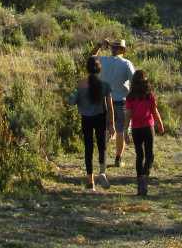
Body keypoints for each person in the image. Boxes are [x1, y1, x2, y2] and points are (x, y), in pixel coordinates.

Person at [69, 54, 115, 190]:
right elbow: (110, 107)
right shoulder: (105, 85)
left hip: (86, 119)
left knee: (88, 149)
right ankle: (102, 172)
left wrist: (74, 93)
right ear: (99, 69)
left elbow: (71, 101)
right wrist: (111, 124)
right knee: (102, 146)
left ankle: (91, 182)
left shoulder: (81, 84)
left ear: (87, 68)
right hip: (100, 117)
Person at [124, 69, 165, 196]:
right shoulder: (149, 95)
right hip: (148, 127)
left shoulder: (130, 97)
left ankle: (140, 181)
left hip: (136, 129)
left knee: (139, 155)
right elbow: (154, 111)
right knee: (149, 155)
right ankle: (145, 178)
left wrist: (125, 131)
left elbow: (128, 115)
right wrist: (160, 123)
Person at [97, 38, 135, 167]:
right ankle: (118, 159)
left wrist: (99, 45)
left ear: (112, 49)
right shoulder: (126, 64)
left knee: (104, 131)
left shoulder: (103, 60)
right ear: (123, 50)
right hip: (121, 102)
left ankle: (102, 158)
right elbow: (134, 82)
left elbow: (91, 57)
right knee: (120, 131)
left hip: (104, 101)